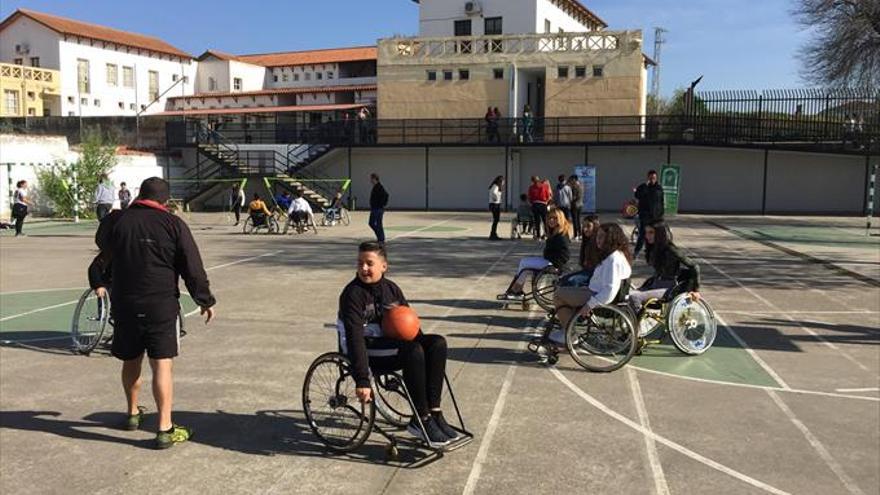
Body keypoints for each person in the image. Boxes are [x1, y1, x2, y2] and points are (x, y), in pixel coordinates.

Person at [89, 177, 216, 449]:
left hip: (125, 302)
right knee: (162, 364)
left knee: (131, 359)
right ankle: (164, 427)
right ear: (166, 201)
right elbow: (192, 266)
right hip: (160, 304)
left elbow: (101, 242)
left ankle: (133, 413)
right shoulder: (174, 224)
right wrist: (204, 299)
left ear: (138, 195)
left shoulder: (117, 221)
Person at [338, 241, 458, 444]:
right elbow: (354, 338)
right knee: (412, 351)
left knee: (437, 343)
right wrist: (362, 379)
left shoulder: (391, 289)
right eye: (360, 263)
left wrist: (424, 345)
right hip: (366, 349)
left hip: (390, 345)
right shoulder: (352, 294)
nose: (364, 268)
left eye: (369, 263)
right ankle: (420, 418)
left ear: (384, 266)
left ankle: (434, 411)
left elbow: (409, 323)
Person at [548, 222, 633, 344]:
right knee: (567, 288)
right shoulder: (617, 255)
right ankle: (568, 324)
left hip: (597, 297)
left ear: (611, 239)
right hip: (595, 292)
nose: (598, 240)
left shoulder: (613, 259)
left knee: (558, 295)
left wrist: (590, 305)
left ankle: (569, 333)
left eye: (602, 237)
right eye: (598, 236)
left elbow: (610, 290)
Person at [497, 207, 572, 301]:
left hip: (552, 264)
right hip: (549, 261)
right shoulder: (555, 232)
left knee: (524, 263)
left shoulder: (560, 236)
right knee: (524, 264)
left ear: (560, 219)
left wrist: (556, 265)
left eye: (555, 218)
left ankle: (516, 290)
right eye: (550, 218)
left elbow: (566, 255)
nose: (551, 220)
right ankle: (516, 289)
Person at [629, 221, 701, 311]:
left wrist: (695, 290)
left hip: (668, 288)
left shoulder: (670, 249)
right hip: (655, 283)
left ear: (659, 234)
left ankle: (636, 324)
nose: (647, 236)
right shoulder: (652, 248)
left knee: (634, 297)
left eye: (651, 232)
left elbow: (694, 266)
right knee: (627, 295)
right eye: (646, 232)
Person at [633, 170, 664, 258]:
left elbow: (661, 202)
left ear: (656, 178)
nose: (652, 180)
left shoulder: (659, 188)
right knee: (643, 234)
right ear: (648, 178)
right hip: (645, 216)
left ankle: (653, 252)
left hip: (656, 217)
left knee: (655, 235)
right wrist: (645, 186)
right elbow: (637, 195)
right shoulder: (643, 187)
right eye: (650, 178)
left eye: (653, 178)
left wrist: (661, 213)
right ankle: (636, 252)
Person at [368, 173, 389, 244]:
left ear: (374, 179)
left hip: (377, 208)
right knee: (379, 224)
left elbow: (386, 195)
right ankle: (381, 239)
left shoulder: (379, 187)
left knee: (371, 223)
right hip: (377, 208)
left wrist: (382, 204)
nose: (370, 180)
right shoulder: (376, 186)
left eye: (371, 179)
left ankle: (380, 237)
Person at [488, 175, 504, 240]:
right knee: (496, 220)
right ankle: (493, 234)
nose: (503, 182)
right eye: (503, 181)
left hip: (494, 204)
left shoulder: (495, 186)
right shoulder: (496, 186)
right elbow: (494, 193)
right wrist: (496, 198)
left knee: (496, 220)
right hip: (495, 205)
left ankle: (493, 233)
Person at [568, 175, 583, 239]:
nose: (570, 181)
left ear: (574, 179)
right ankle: (579, 234)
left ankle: (576, 234)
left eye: (571, 180)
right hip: (580, 205)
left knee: (575, 221)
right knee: (578, 220)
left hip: (575, 205)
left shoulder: (575, 187)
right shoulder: (581, 185)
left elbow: (575, 197)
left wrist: (569, 199)